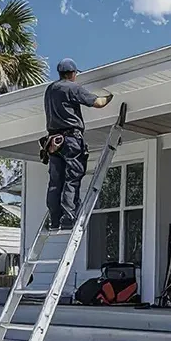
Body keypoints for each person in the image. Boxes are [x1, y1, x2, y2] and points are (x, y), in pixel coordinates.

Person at [44, 58, 113, 230]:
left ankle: (54, 220)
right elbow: (98, 103)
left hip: (53, 142)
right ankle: (68, 217)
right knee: (72, 178)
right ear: (73, 74)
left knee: (55, 181)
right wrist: (111, 94)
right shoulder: (72, 88)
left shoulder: (50, 90)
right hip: (70, 140)